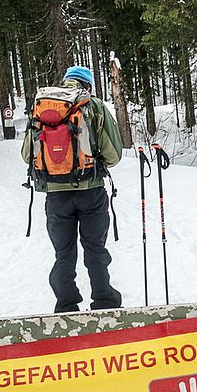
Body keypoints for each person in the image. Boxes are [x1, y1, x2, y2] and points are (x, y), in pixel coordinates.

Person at [21, 65, 123, 313]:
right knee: (95, 247)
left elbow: (27, 155)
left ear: (66, 82)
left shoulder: (43, 106)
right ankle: (104, 301)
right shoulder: (93, 104)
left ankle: (66, 305)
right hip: (91, 190)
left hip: (55, 196)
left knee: (63, 252)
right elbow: (114, 155)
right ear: (87, 84)